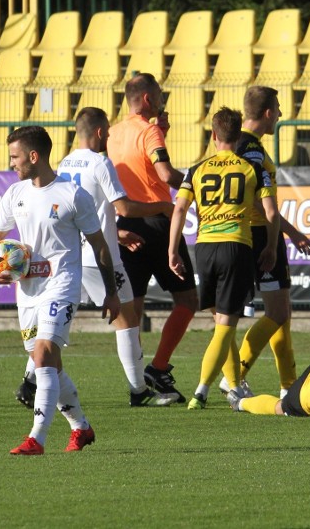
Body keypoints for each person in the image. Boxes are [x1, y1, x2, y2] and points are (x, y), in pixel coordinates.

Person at [14, 107, 178, 408]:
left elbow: (81, 211)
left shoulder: (65, 162)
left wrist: (115, 233)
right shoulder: (101, 162)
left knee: (55, 324)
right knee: (127, 321)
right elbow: (124, 207)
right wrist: (163, 208)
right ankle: (138, 390)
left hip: (74, 256)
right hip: (102, 258)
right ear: (101, 133)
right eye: (108, 133)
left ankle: (30, 381)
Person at [0, 126, 119, 455]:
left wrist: (111, 292)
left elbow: (99, 247)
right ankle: (81, 428)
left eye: (15, 156)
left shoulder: (73, 195)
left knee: (43, 353)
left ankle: (36, 439)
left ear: (34, 156)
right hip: (27, 289)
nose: (11, 163)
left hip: (62, 283)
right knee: (49, 365)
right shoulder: (15, 194)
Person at [167, 107, 279, 409]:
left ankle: (234, 387)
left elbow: (178, 209)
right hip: (236, 246)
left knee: (219, 320)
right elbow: (270, 212)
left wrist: (173, 249)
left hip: (203, 248)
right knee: (226, 325)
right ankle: (201, 391)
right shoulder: (252, 169)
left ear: (214, 135)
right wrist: (270, 246)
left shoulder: (196, 170)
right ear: (238, 134)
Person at [107, 73, 198, 403]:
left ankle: (138, 388)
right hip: (158, 224)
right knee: (188, 300)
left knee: (133, 311)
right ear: (147, 99)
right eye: (158, 94)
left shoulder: (113, 133)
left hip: (126, 227)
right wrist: (198, 179)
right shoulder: (149, 131)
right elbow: (165, 175)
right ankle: (158, 368)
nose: (162, 99)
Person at [218, 85, 310, 399]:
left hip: (240, 233)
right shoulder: (254, 149)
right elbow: (262, 203)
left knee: (279, 310)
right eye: (279, 109)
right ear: (269, 113)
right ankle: (236, 374)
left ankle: (288, 384)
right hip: (260, 235)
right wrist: (290, 233)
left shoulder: (238, 143)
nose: (282, 115)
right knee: (276, 311)